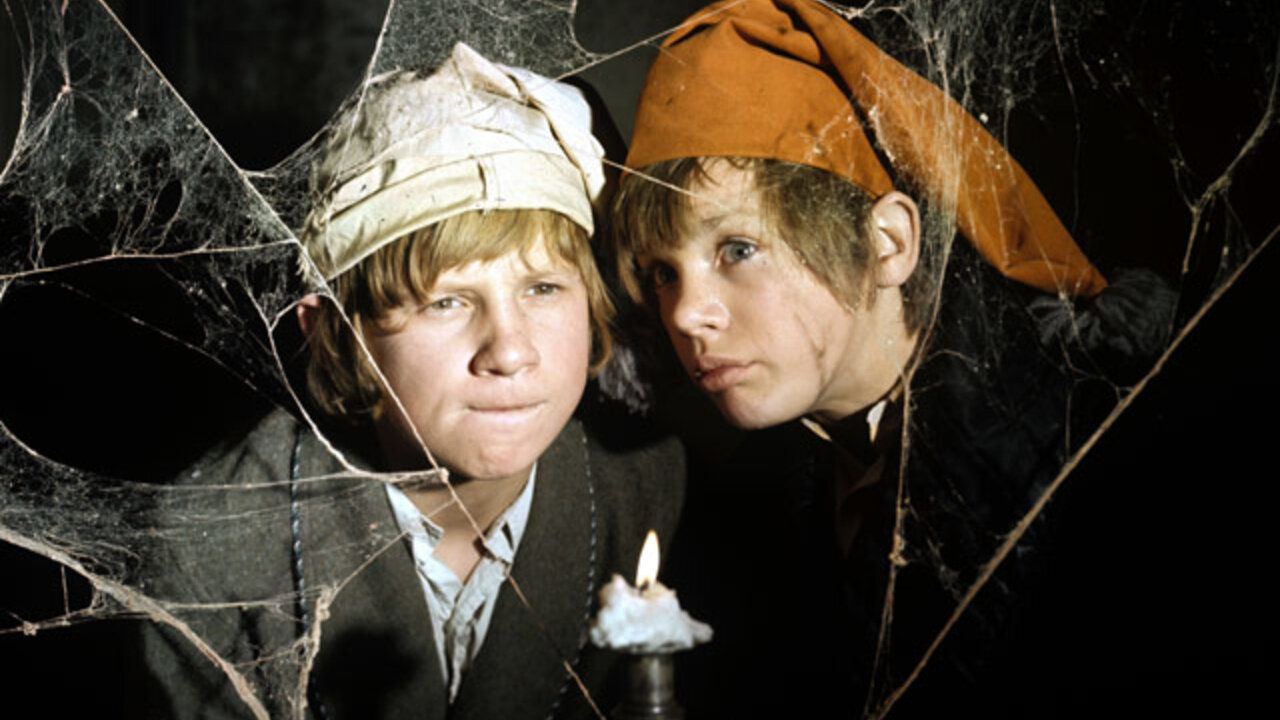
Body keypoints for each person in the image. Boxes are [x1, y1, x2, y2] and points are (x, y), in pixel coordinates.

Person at [611, 1, 1172, 716]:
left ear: (888, 243)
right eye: (662, 272)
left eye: (738, 249)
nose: (686, 314)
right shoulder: (745, 502)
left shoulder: (1077, 455)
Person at [137, 43, 682, 720]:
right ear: (336, 335)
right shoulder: (212, 546)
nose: (510, 353)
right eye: (445, 302)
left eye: (543, 288)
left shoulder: (648, 484)